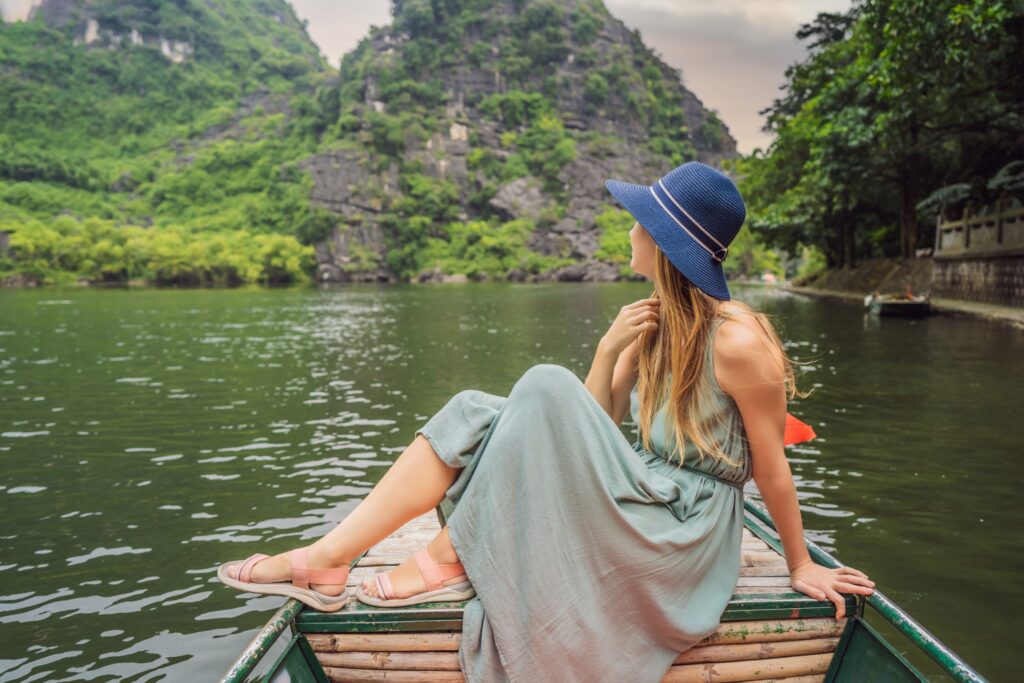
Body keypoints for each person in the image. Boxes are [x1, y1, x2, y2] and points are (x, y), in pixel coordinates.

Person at [217, 161, 875, 682]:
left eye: (639, 222)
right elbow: (592, 423)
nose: (629, 232)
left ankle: (449, 557)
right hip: (642, 495)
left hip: (683, 536)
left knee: (540, 385)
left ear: (666, 244)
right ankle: (328, 559)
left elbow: (773, 462)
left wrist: (800, 564)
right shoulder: (651, 322)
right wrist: (607, 351)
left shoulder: (738, 343)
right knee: (478, 408)